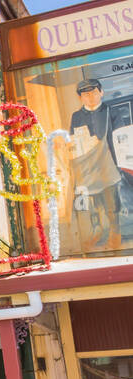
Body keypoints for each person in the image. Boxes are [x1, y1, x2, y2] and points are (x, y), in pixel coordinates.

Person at [68, 78, 123, 253]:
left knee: (111, 202)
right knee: (93, 203)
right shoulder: (76, 117)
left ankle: (115, 235)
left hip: (109, 165)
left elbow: (121, 139)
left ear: (101, 92)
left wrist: (120, 163)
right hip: (87, 168)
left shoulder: (111, 112)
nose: (90, 97)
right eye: (85, 94)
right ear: (80, 98)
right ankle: (97, 232)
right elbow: (73, 141)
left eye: (93, 93)